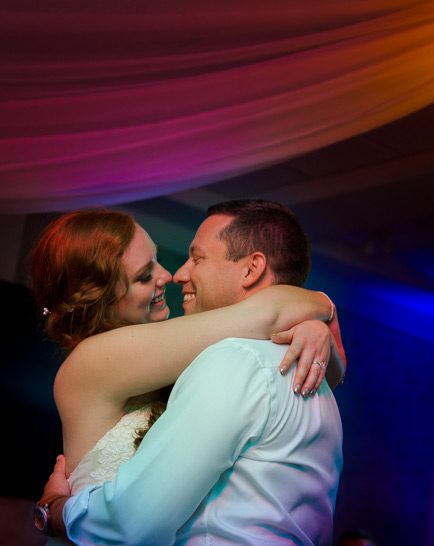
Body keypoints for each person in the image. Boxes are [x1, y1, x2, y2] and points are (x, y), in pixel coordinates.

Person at [29, 208, 343, 543]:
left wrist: (312, 330)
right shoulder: (92, 360)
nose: (169, 275)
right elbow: (266, 314)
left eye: (157, 261)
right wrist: (323, 308)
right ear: (103, 298)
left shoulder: (201, 359)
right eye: (144, 275)